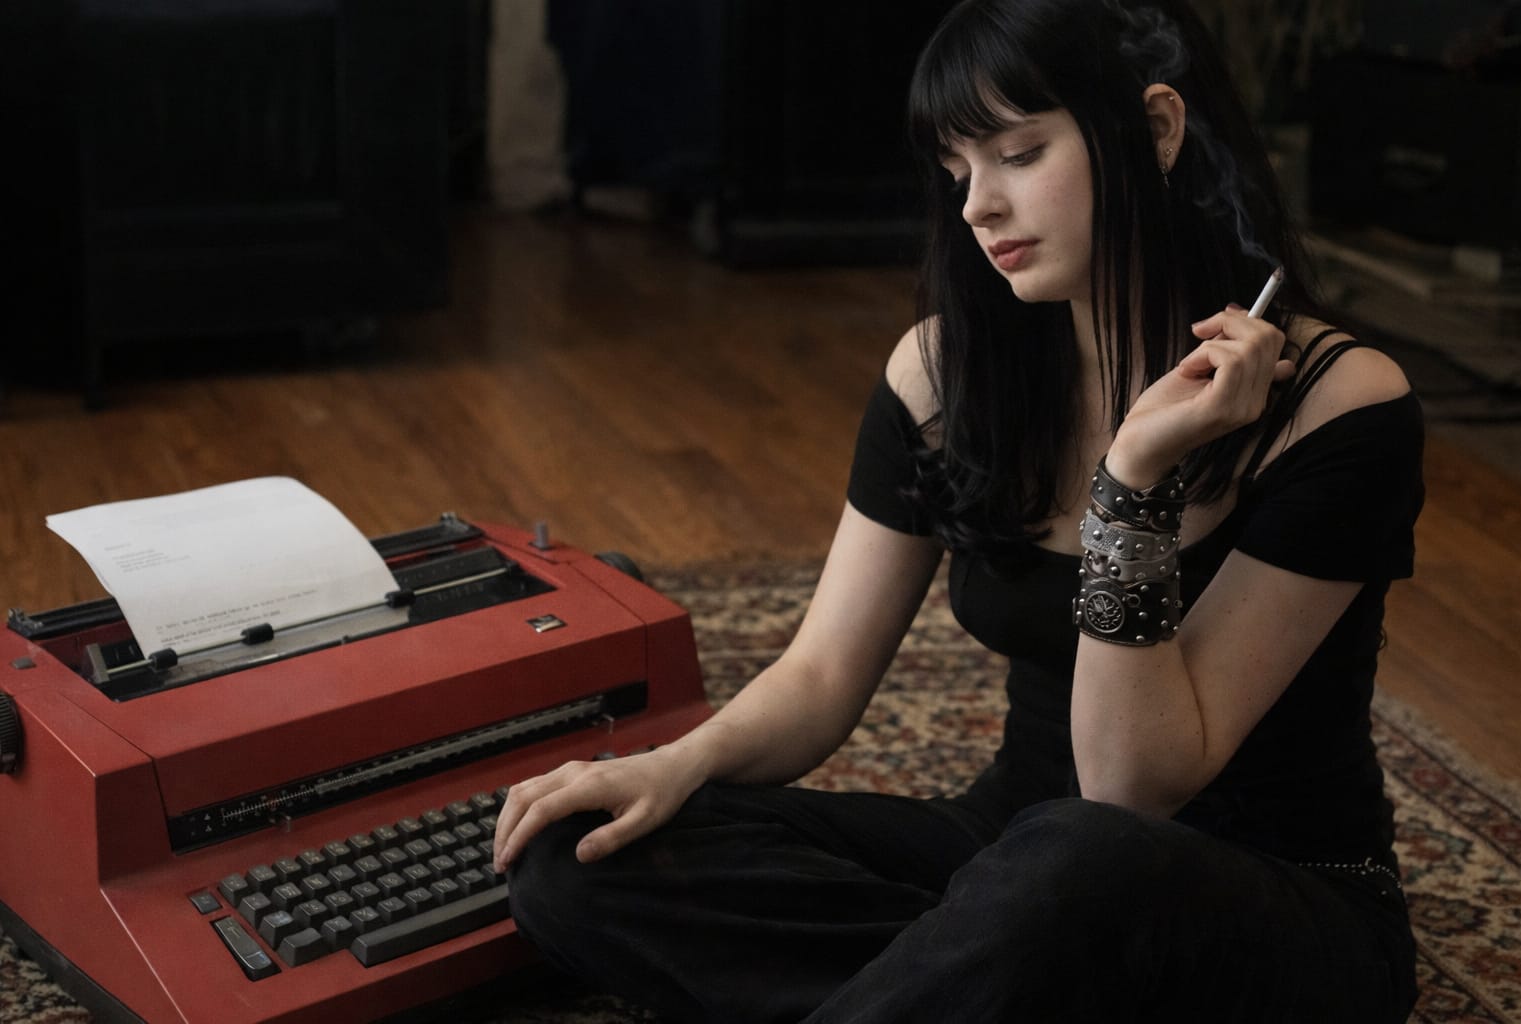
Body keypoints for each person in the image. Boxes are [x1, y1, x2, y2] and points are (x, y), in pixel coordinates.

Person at [492, 0, 1424, 1020]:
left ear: (1158, 128)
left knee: (1076, 857)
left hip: (1259, 905)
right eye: (957, 169)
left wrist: (1133, 483)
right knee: (579, 856)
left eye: (1018, 154)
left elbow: (1130, 789)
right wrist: (673, 767)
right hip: (1012, 871)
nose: (979, 205)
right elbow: (820, 675)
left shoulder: (1340, 406)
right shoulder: (946, 374)